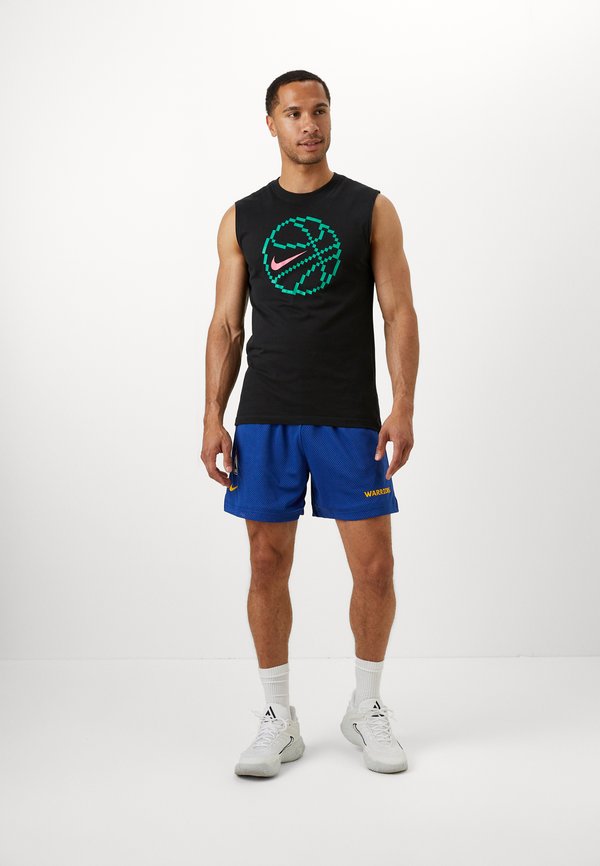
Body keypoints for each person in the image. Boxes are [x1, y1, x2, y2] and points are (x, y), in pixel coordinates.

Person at [201, 69, 419, 776]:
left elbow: (398, 312)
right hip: (266, 414)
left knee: (375, 566)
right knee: (266, 562)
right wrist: (212, 416)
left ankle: (366, 706)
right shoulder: (243, 217)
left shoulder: (370, 209)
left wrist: (403, 404)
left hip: (350, 417)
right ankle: (278, 717)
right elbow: (226, 325)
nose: (309, 124)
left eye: (319, 110)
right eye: (294, 113)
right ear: (271, 123)